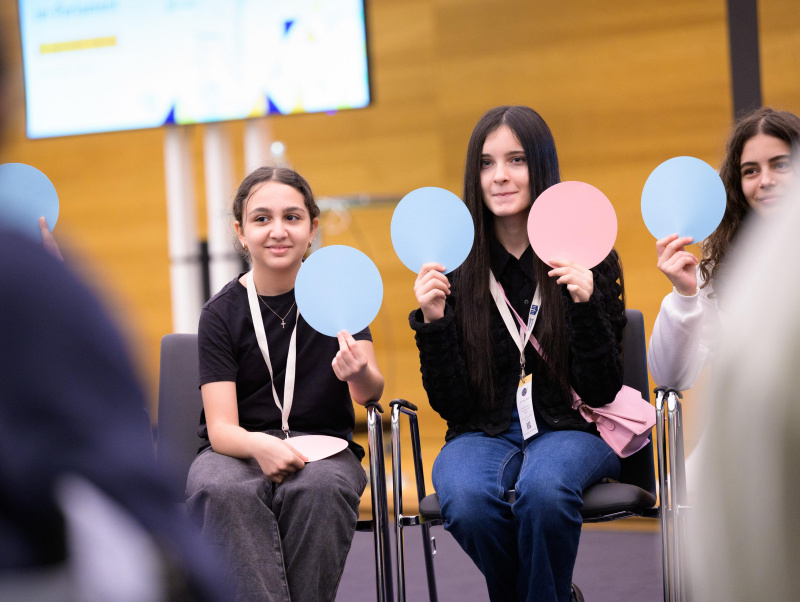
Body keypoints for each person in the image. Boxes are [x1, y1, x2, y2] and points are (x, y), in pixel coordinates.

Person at [409, 106, 627, 602]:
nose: (500, 176)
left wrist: (585, 305)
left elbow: (602, 387)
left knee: (545, 493)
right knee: (465, 499)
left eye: (516, 160)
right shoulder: (455, 266)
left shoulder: (589, 252)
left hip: (571, 426)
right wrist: (435, 324)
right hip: (482, 432)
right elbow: (452, 406)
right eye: (486, 163)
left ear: (542, 168)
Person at [185, 166, 384, 601]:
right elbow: (221, 429)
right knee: (220, 488)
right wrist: (260, 446)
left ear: (312, 228)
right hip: (236, 450)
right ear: (240, 232)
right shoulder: (220, 314)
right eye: (261, 219)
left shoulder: (339, 294)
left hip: (325, 448)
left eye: (292, 217)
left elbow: (370, 393)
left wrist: (358, 373)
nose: (278, 231)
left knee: (322, 488)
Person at [648, 107, 800, 391]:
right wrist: (684, 295)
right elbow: (671, 378)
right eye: (751, 171)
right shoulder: (721, 265)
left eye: (780, 164)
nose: (765, 181)